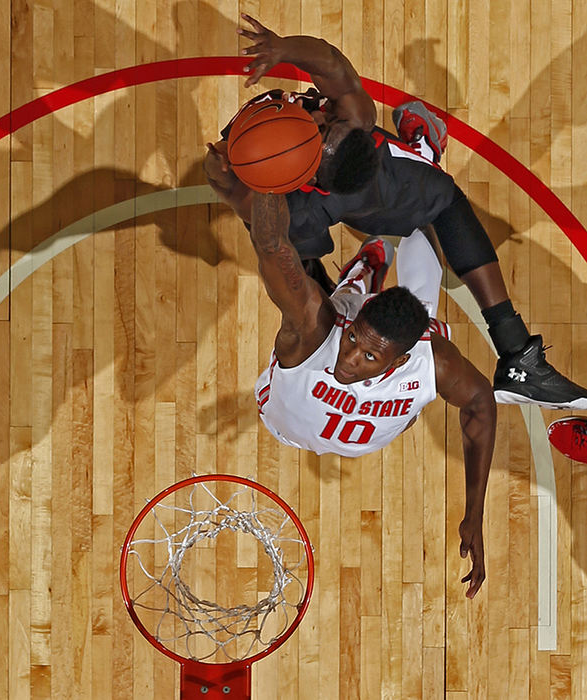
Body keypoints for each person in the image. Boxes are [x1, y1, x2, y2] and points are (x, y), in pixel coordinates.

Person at [204, 14, 587, 411]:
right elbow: (331, 64)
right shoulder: (334, 129)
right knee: (291, 252)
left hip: (327, 192)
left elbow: (330, 63)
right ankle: (332, 326)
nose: (321, 118)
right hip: (299, 199)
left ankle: (516, 356)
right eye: (322, 124)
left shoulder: (349, 123)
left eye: (323, 126)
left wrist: (284, 52)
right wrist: (283, 52)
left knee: (440, 196)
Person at [249, 190, 495, 598]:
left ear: (397, 363)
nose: (348, 360)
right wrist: (266, 181)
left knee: (420, 313)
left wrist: (475, 512)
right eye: (353, 341)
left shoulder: (430, 361)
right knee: (341, 301)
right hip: (280, 422)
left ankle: (370, 262)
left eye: (368, 357)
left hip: (371, 407)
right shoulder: (315, 332)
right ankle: (362, 273)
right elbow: (272, 249)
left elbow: (480, 403)